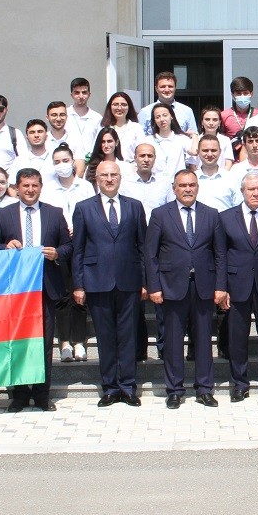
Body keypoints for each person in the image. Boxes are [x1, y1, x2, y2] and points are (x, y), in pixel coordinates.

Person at [0, 168, 72, 412]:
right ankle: (19, 395)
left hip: (45, 288)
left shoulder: (54, 214)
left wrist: (57, 254)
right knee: (17, 343)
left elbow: (68, 246)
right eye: (25, 186)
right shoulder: (3, 215)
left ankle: (43, 395)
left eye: (34, 185)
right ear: (17, 187)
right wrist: (5, 247)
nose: (30, 190)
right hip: (16, 292)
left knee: (44, 344)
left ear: (41, 186)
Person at [71, 160, 148, 408]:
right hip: (97, 282)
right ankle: (110, 388)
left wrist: (146, 281)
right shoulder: (83, 208)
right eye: (104, 175)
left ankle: (128, 387)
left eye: (114, 174)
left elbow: (142, 247)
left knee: (128, 337)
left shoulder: (135, 207)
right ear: (96, 178)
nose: (109, 179)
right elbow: (79, 250)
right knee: (105, 337)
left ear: (120, 177)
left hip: (129, 281)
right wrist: (78, 284)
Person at [144, 171, 220, 409]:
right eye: (182, 185)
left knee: (204, 341)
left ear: (198, 187)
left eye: (192, 185)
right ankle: (175, 389)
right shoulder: (159, 215)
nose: (188, 189)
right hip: (171, 288)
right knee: (173, 341)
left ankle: (204, 389)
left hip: (204, 288)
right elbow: (150, 254)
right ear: (174, 188)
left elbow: (220, 255)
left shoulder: (211, 214)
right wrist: (154, 286)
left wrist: (221, 287)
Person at [214, 171, 258, 402]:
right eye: (251, 189)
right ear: (242, 191)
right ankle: (240, 384)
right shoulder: (225, 218)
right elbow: (221, 256)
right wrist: (221, 287)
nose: (256, 193)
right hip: (236, 287)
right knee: (237, 338)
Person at [41, 145, 95, 363]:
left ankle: (79, 341)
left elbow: (92, 211)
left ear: (74, 161)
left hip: (82, 245)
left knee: (79, 295)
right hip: (59, 247)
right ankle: (64, 342)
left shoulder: (86, 187)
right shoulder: (48, 189)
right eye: (57, 161)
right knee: (62, 297)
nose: (61, 165)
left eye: (65, 160)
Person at [189, 134, 238, 211]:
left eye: (213, 150)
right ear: (198, 152)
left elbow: (238, 208)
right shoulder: (191, 179)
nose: (209, 154)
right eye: (205, 150)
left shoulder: (231, 178)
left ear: (220, 152)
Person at [139, 71, 195, 136]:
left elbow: (194, 136)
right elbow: (139, 138)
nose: (167, 90)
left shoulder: (187, 111)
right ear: (156, 89)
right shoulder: (145, 112)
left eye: (170, 86)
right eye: (163, 86)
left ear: (175, 88)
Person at [120, 142, 171, 214]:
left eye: (150, 156)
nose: (146, 160)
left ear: (155, 158)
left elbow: (171, 209)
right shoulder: (124, 184)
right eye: (142, 156)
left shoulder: (164, 183)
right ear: (135, 158)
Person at [146, 102, 194, 178]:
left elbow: (194, 152)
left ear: (171, 116)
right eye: (157, 117)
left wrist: (195, 135)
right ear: (154, 120)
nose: (162, 119)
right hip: (156, 184)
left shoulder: (181, 138)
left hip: (177, 185)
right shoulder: (148, 141)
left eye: (165, 115)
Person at [100, 91, 142, 158]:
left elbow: (142, 151)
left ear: (129, 107)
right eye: (116, 104)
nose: (119, 108)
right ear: (110, 106)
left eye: (123, 104)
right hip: (110, 166)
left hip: (131, 167)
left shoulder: (137, 128)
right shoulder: (103, 127)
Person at [67, 77, 104, 153]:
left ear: (89, 94)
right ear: (71, 95)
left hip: (91, 162)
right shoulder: (64, 115)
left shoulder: (97, 118)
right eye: (77, 93)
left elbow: (101, 142)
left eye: (84, 92)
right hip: (68, 161)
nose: (81, 96)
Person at [220, 76, 257, 149]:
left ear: (251, 94)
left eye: (245, 93)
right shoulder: (223, 115)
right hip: (231, 158)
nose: (242, 96)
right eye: (238, 93)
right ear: (232, 95)